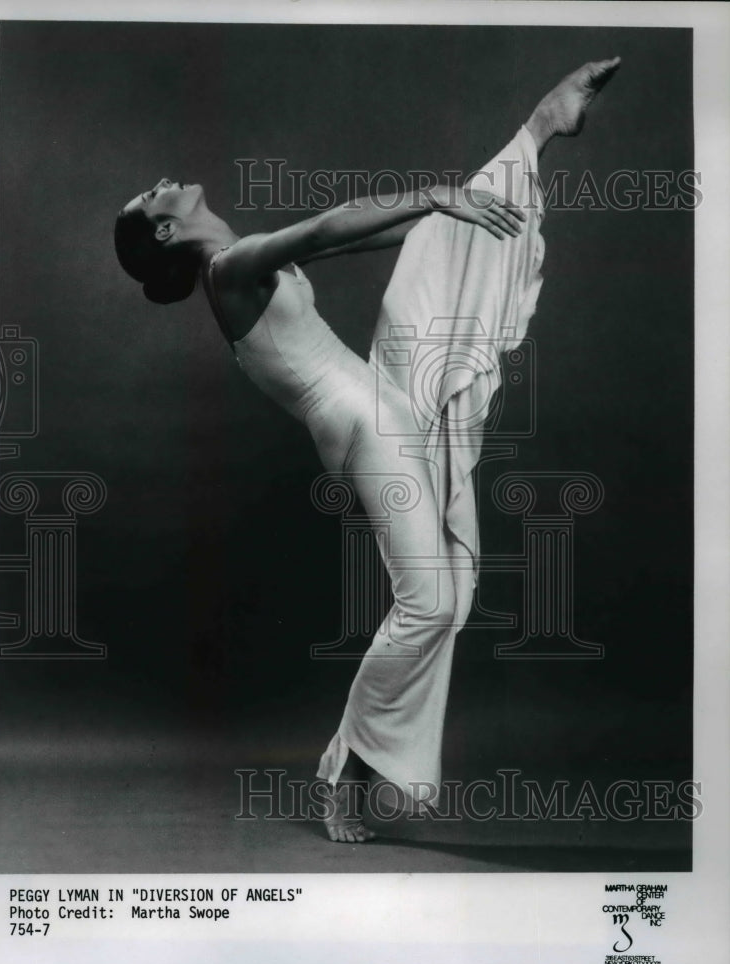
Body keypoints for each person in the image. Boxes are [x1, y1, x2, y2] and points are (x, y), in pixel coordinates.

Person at [114, 58, 621, 843]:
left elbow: (359, 237)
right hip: (365, 425)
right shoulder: (226, 273)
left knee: (443, 244)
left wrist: (438, 211)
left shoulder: (248, 256)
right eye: (151, 197)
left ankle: (541, 126)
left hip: (382, 390)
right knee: (433, 602)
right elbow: (323, 225)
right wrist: (430, 194)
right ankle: (344, 772)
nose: (160, 182)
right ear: (165, 230)